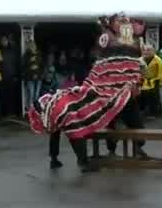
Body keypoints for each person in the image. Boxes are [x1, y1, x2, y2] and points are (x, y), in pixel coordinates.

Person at [29, 13, 147, 172]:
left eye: (124, 21)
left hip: (121, 87)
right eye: (119, 21)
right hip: (107, 86)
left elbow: (130, 58)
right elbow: (107, 57)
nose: (123, 24)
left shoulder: (125, 38)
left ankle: (137, 146)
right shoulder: (107, 37)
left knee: (129, 116)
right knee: (92, 115)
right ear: (111, 23)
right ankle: (91, 157)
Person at [21, 40, 43, 117]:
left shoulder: (39, 53)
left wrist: (39, 72)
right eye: (30, 45)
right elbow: (23, 66)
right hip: (30, 77)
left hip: (38, 77)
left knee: (36, 95)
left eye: (33, 45)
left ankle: (35, 111)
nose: (32, 46)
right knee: (31, 94)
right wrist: (31, 64)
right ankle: (30, 111)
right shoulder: (26, 55)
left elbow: (42, 65)